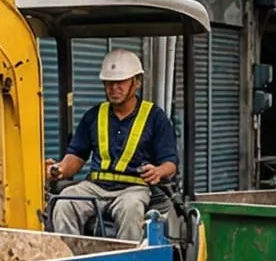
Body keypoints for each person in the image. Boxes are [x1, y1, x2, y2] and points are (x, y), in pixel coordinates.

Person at [44, 48, 179, 242]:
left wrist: (158, 171)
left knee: (131, 209)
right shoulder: (93, 116)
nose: (114, 87)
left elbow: (170, 163)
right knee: (65, 201)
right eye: (109, 82)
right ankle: (72, 259)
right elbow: (76, 155)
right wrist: (58, 170)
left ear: (137, 82)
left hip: (133, 189)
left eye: (121, 82)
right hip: (95, 186)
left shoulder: (155, 118)